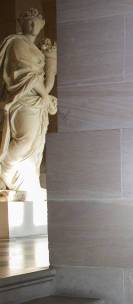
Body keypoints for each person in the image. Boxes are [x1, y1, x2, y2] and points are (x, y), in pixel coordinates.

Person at [0, 8, 57, 198]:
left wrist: (51, 58)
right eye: (29, 22)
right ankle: (5, 169)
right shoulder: (17, 43)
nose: (33, 26)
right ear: (20, 23)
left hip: (36, 101)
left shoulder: (35, 48)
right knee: (24, 140)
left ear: (42, 25)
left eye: (36, 22)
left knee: (34, 142)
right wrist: (46, 96)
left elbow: (43, 83)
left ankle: (26, 180)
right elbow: (28, 77)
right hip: (22, 100)